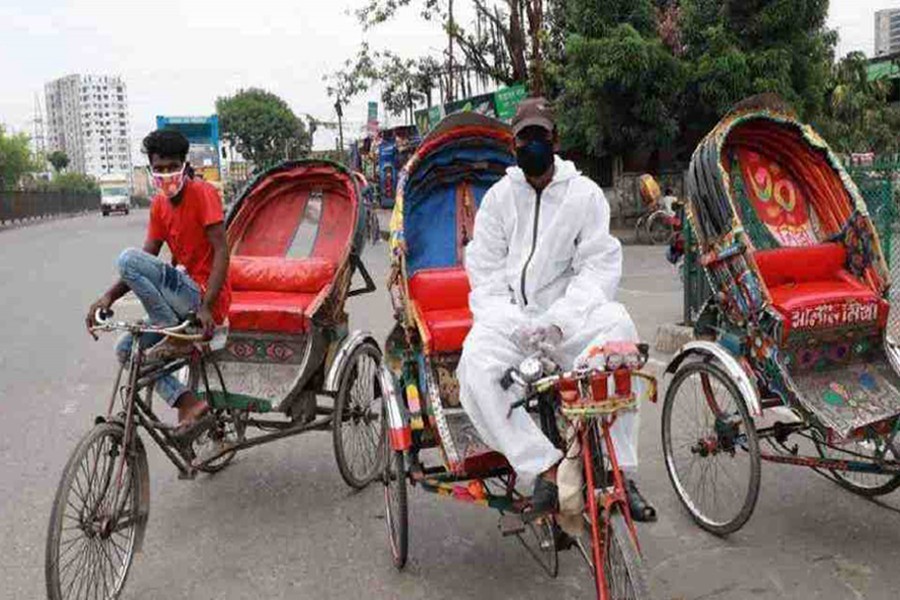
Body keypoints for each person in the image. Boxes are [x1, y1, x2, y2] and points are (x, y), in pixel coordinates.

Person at [457, 97, 655, 520]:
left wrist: (560, 324)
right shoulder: (497, 200)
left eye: (539, 136)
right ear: (513, 145)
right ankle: (545, 468)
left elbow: (599, 266)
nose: (531, 144)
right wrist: (514, 327)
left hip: (568, 324)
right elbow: (486, 275)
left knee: (619, 326)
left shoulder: (583, 196)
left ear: (555, 140)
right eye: (523, 137)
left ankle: (617, 470)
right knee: (474, 364)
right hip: (515, 325)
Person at [85, 129, 231, 436]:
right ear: (151, 168)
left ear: (184, 164)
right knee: (126, 350)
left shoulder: (202, 193)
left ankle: (173, 335)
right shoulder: (159, 206)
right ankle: (187, 402)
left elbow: (222, 251)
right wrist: (107, 298)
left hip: (203, 300)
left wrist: (207, 307)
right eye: (159, 168)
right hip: (181, 304)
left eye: (171, 166)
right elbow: (147, 259)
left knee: (127, 257)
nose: (166, 174)